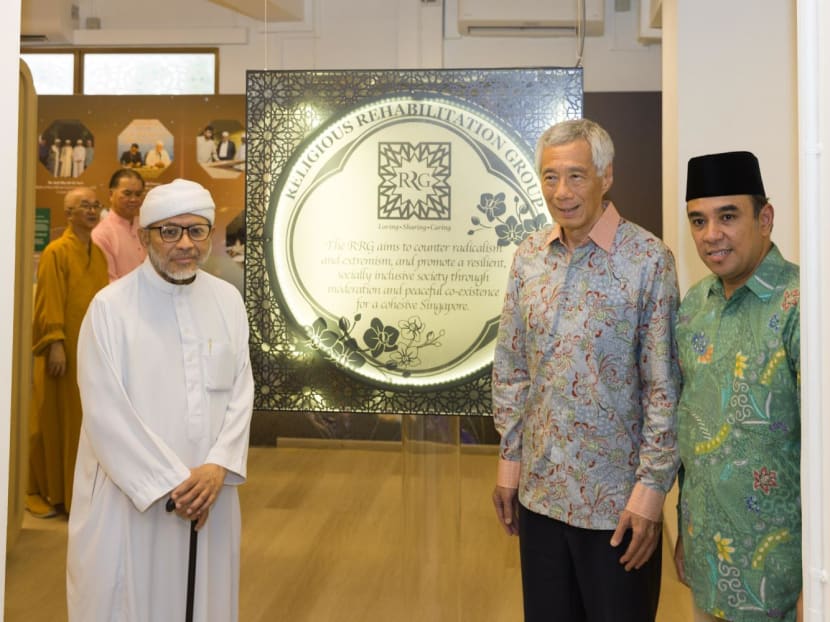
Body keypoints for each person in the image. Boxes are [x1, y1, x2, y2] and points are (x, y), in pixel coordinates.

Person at [491, 118, 681, 622]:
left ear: (606, 176)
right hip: (540, 498)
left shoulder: (649, 261)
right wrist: (510, 465)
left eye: (576, 176)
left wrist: (650, 495)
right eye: (550, 177)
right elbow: (512, 370)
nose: (562, 191)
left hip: (617, 509)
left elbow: (664, 388)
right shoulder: (528, 257)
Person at [68, 178, 254, 621]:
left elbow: (241, 393)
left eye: (196, 230)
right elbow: (106, 413)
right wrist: (175, 485)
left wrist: (216, 468)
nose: (185, 244)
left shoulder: (228, 301)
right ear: (144, 235)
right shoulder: (110, 308)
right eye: (170, 231)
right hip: (134, 500)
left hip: (212, 492)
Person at [674, 151, 802, 622]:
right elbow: (691, 425)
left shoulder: (800, 305)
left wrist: (819, 582)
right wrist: (684, 531)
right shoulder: (694, 306)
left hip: (782, 581)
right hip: (709, 564)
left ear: (764, 218)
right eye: (699, 220)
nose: (711, 235)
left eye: (728, 216)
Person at [26, 187, 109, 518]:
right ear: (68, 214)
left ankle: (77, 493)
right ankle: (47, 492)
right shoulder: (55, 252)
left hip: (89, 352)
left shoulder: (98, 253)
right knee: (53, 420)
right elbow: (48, 301)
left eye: (94, 205)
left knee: (82, 423)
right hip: (61, 353)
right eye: (83, 206)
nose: (90, 210)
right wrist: (55, 342)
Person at [92, 169, 147, 281]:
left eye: (138, 194)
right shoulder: (101, 235)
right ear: (111, 194)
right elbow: (109, 283)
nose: (133, 199)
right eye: (127, 194)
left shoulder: (146, 227)